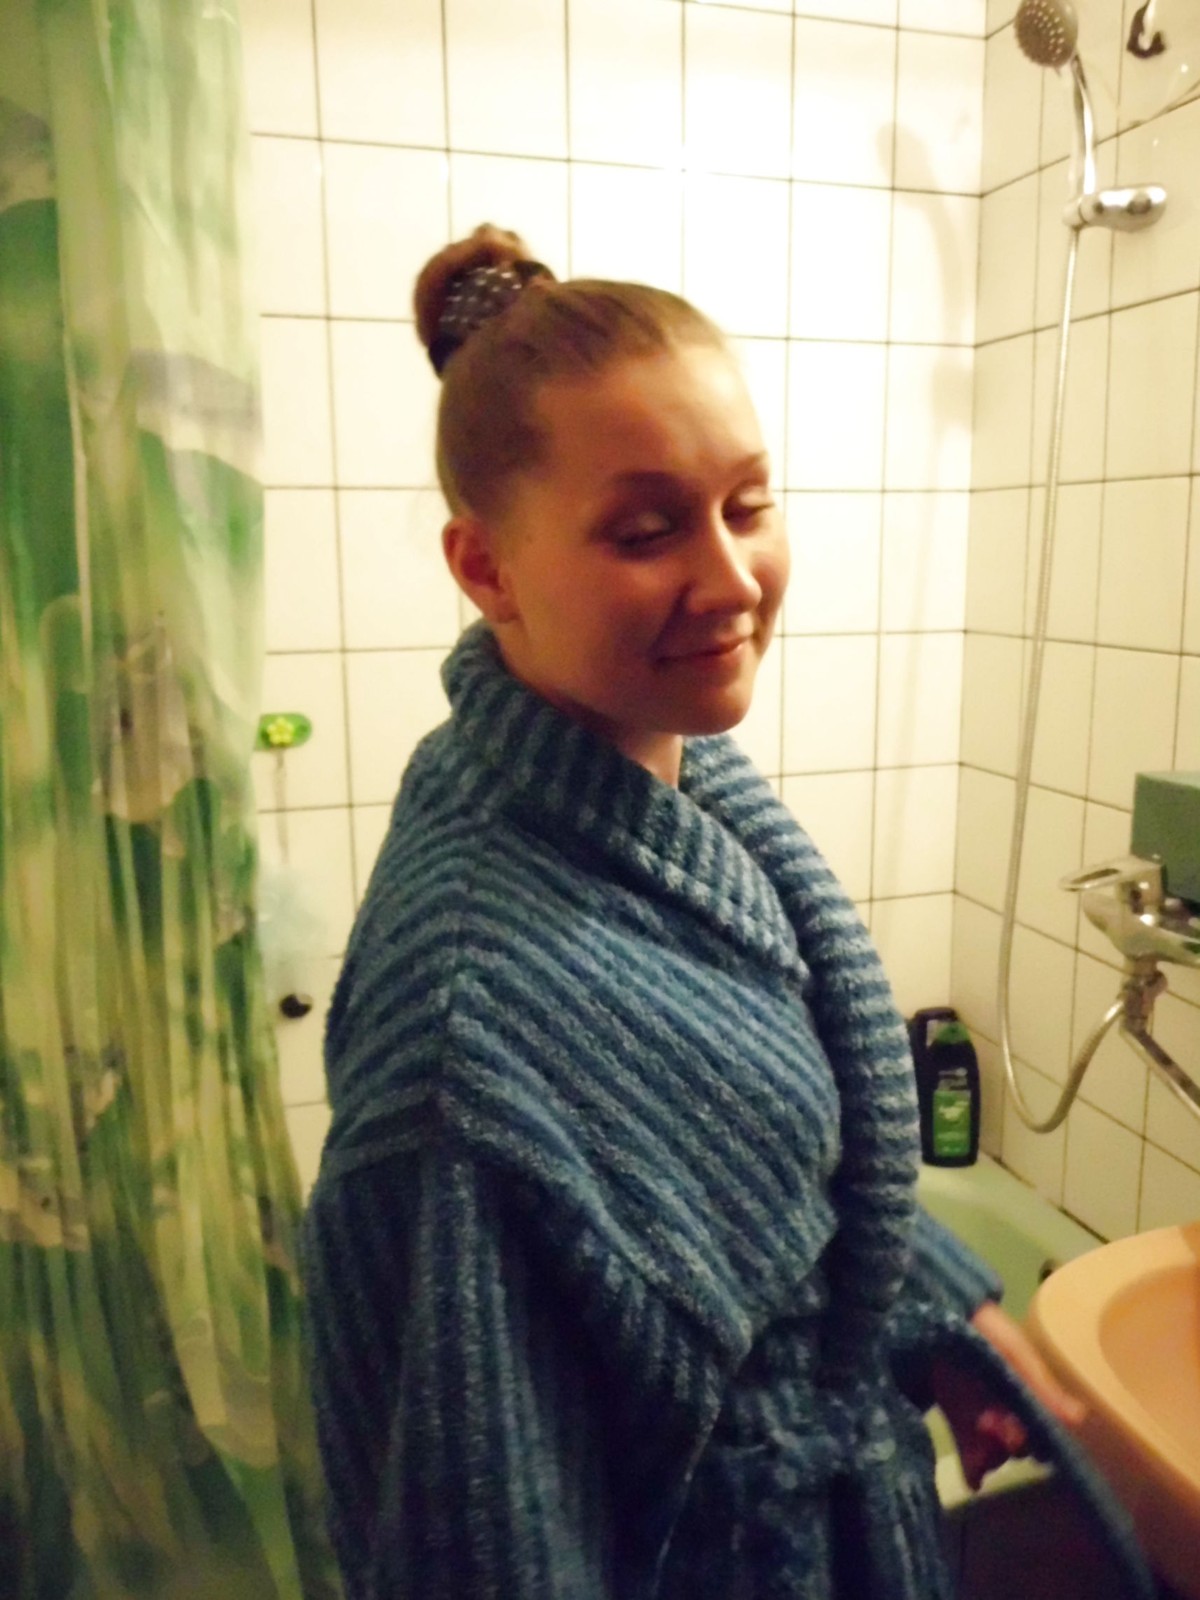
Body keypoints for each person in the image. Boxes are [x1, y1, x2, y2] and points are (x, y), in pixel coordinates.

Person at [300, 227, 1150, 1600]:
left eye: (747, 504)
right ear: (485, 567)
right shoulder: (467, 1036)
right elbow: (476, 1547)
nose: (733, 577)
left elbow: (762, 1183)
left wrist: (929, 1309)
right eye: (646, 532)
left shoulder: (671, 785)